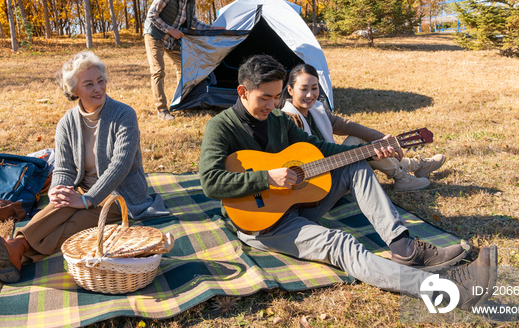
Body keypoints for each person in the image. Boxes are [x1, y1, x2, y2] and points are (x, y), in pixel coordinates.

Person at [199, 54, 497, 309]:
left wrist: (367, 151)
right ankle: (448, 288)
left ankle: (403, 246)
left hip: (299, 202)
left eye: (277, 96)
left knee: (355, 166)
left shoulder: (278, 120)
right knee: (341, 243)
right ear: (242, 91)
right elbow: (211, 182)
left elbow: (321, 150)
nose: (272, 104)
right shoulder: (220, 127)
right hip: (262, 222)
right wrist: (266, 178)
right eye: (265, 97)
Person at [0, 51, 170, 283]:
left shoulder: (124, 115)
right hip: (83, 190)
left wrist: (87, 200)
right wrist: (58, 188)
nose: (98, 88)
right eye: (89, 84)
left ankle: (14, 249)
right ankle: (11, 253)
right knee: (60, 204)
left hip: (121, 195)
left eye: (101, 81)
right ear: (74, 90)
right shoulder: (67, 122)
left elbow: (121, 164)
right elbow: (64, 167)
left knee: (74, 222)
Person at [279, 64, 445, 192]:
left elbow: (349, 126)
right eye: (304, 89)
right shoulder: (286, 119)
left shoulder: (316, 111)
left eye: (314, 88)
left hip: (332, 164)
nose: (310, 95)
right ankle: (404, 174)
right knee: (357, 145)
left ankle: (412, 166)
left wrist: (388, 141)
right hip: (316, 178)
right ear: (290, 90)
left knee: (358, 139)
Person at [143, 0, 223, 121]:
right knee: (158, 71)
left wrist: (211, 29)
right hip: (155, 34)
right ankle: (162, 109)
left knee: (186, 69)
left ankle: (179, 102)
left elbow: (193, 22)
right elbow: (151, 15)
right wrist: (170, 30)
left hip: (172, 38)